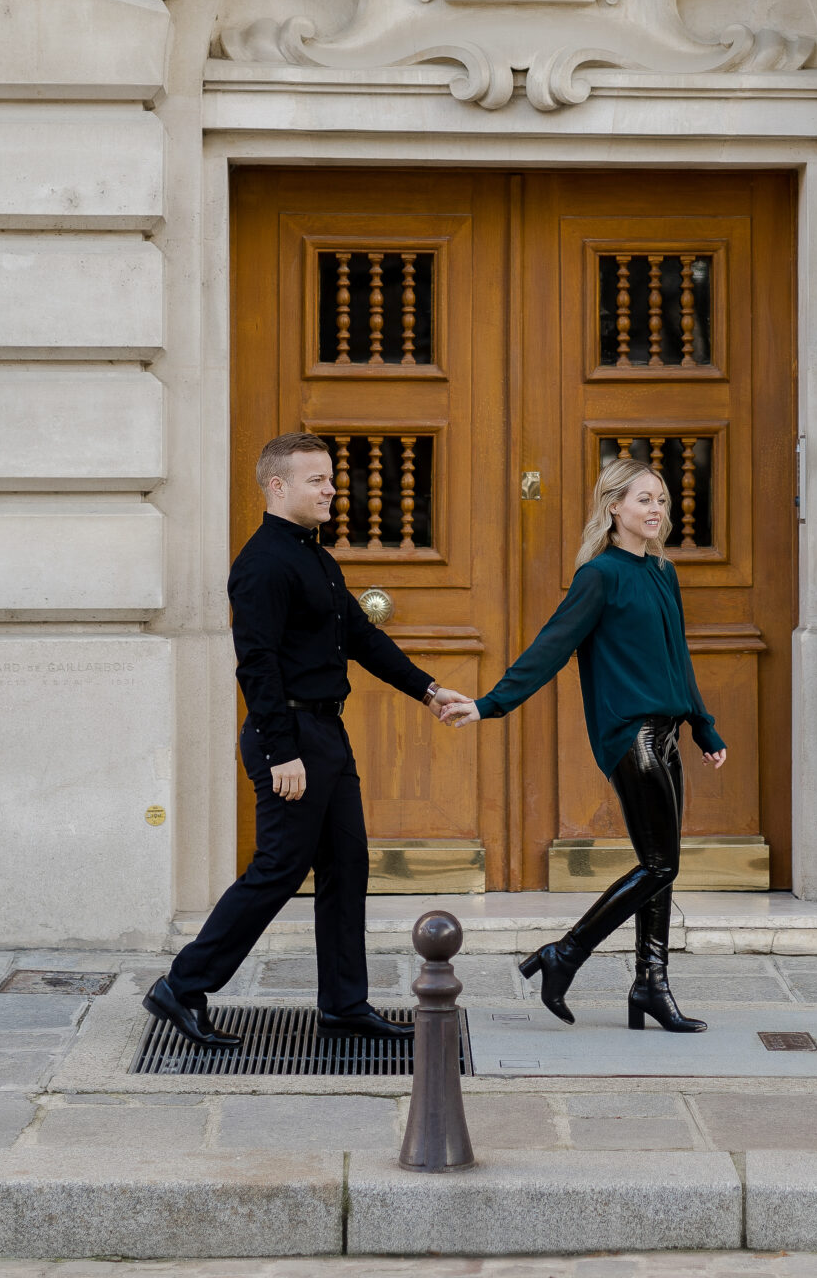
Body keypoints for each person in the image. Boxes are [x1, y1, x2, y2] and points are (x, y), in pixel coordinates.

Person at [146, 432, 476, 1048]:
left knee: (347, 867)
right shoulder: (262, 564)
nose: (331, 489)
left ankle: (344, 1005)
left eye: (330, 478)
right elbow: (256, 664)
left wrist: (430, 691)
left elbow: (363, 638)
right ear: (278, 486)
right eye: (317, 480)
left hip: (326, 732)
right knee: (276, 870)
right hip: (290, 737)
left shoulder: (317, 559)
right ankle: (182, 986)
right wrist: (280, 752)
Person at [440, 457, 728, 1032]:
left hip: (667, 733)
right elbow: (550, 646)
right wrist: (488, 703)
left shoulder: (662, 573)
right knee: (659, 864)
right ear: (614, 506)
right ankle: (564, 954)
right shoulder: (599, 576)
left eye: (661, 500)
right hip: (632, 734)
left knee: (661, 868)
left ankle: (650, 984)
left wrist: (702, 724)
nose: (656, 510)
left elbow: (678, 658)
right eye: (643, 499)